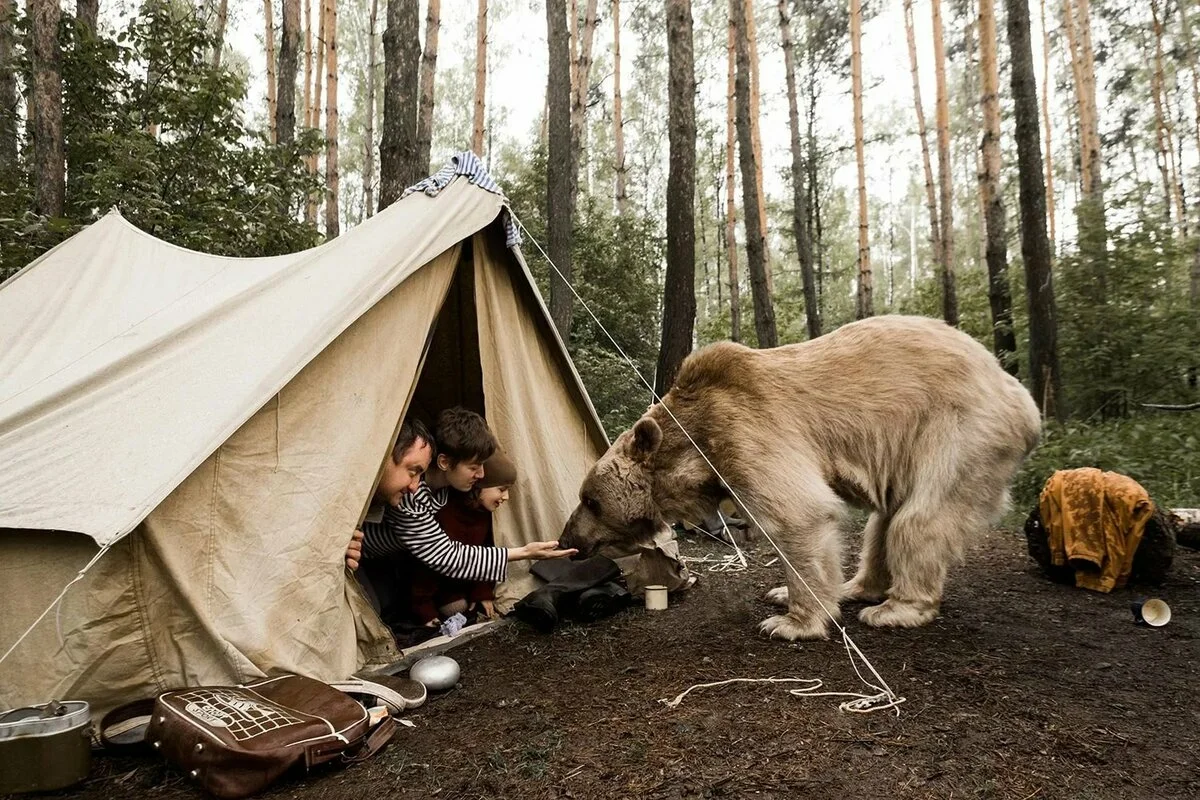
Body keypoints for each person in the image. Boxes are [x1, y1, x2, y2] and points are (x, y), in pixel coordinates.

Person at [346, 407, 574, 620]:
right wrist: (523, 552)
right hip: (363, 556)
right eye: (474, 467)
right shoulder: (410, 496)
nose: (481, 474)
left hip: (393, 556)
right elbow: (446, 556)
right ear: (444, 462)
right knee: (372, 610)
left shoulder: (446, 490)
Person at [399, 448, 518, 627]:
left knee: (466, 608)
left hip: (462, 580)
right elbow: (425, 565)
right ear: (480, 486)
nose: (506, 497)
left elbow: (485, 551)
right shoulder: (447, 512)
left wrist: (482, 592)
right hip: (432, 584)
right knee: (456, 607)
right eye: (501, 489)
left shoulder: (484, 514)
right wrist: (423, 608)